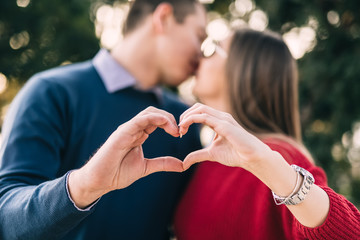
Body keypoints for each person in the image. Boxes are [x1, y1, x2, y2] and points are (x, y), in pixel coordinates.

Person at [0, 0, 207, 239]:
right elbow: (6, 217)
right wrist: (84, 185)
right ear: (164, 17)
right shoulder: (52, 92)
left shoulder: (184, 122)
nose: (201, 54)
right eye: (199, 36)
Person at [174, 28, 360, 239]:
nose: (200, 57)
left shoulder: (282, 158)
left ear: (244, 69)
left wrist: (275, 170)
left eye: (213, 49)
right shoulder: (209, 156)